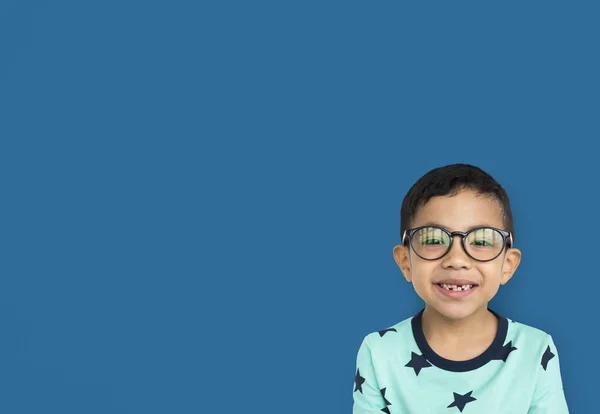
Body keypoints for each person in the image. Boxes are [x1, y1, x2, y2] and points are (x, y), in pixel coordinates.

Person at [352, 163, 569, 413]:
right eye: (433, 239)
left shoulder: (536, 348)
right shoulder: (379, 351)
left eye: (481, 241)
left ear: (508, 265)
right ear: (405, 262)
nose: (457, 259)